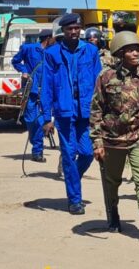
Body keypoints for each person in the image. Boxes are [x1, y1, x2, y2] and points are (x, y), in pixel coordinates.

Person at [90, 31, 139, 241]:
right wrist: (97, 142)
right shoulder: (106, 77)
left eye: (137, 49)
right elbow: (96, 110)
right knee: (112, 181)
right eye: (131, 50)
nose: (135, 53)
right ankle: (113, 214)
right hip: (112, 140)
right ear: (120, 53)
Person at [41, 13, 102, 215]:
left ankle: (71, 177)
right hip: (64, 112)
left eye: (77, 28)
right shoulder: (52, 53)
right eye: (70, 29)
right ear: (63, 31)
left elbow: (99, 83)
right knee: (68, 155)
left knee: (86, 153)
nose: (74, 32)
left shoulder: (91, 51)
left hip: (86, 111)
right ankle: (75, 200)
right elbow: (47, 86)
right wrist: (46, 118)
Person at [12, 29, 55, 162]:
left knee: (41, 121)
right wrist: (24, 71)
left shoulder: (53, 52)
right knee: (31, 121)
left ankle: (38, 151)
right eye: (53, 38)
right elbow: (16, 61)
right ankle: (36, 142)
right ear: (48, 38)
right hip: (31, 91)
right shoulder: (29, 49)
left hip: (47, 92)